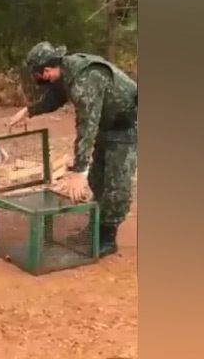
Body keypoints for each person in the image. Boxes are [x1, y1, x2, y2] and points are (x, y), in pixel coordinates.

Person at [8, 41, 138, 257]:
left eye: (38, 76)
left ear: (47, 71)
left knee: (116, 184)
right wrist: (29, 110)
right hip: (108, 125)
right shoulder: (65, 70)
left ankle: (107, 239)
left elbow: (87, 126)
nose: (39, 81)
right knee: (98, 179)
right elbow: (55, 98)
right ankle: (94, 231)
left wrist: (79, 171)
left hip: (126, 126)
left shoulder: (84, 81)